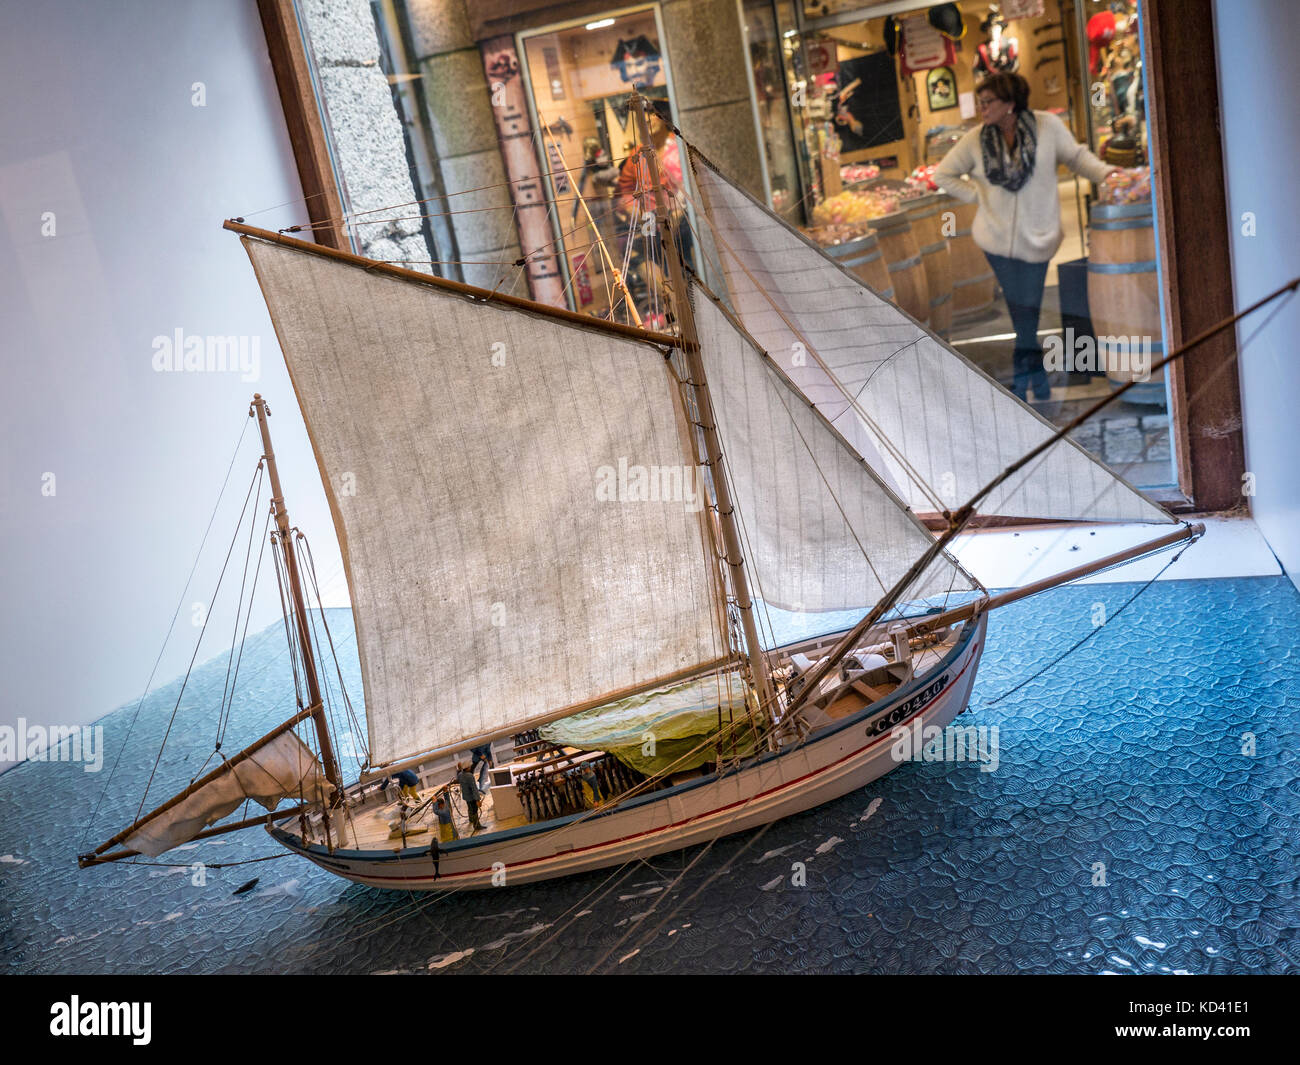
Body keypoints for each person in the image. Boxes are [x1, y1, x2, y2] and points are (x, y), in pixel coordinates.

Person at [934, 72, 1116, 401]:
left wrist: (1107, 175)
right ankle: (1031, 378)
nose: (982, 109)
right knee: (1023, 309)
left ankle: (1029, 377)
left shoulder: (1048, 127)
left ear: (1010, 104)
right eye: (980, 102)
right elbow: (942, 174)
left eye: (988, 102)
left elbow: (1076, 157)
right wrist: (977, 195)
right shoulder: (976, 139)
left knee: (1025, 310)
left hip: (1039, 237)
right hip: (995, 241)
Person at [455, 763, 483, 831]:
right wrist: (477, 799)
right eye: (469, 766)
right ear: (467, 768)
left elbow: (458, 780)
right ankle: (477, 826)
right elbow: (474, 788)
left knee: (469, 808)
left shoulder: (460, 774)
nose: (470, 767)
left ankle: (471, 820)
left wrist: (458, 770)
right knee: (474, 810)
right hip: (472, 797)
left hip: (466, 796)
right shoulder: (469, 776)